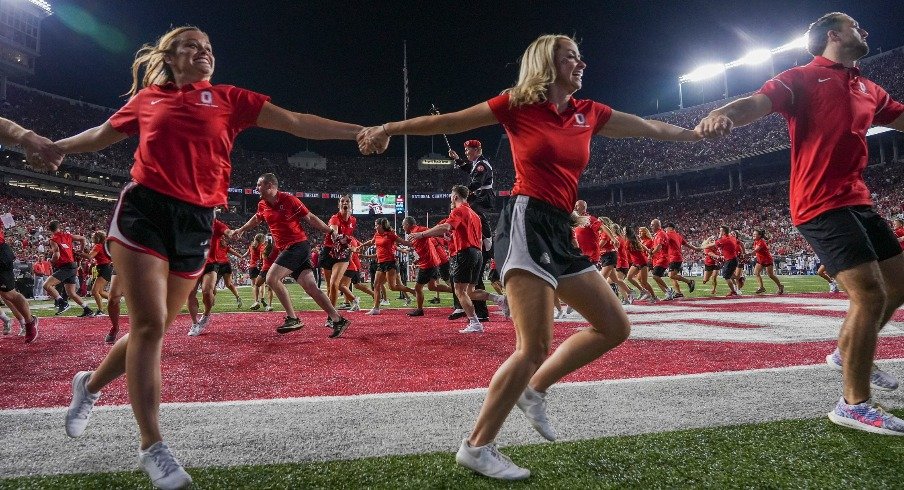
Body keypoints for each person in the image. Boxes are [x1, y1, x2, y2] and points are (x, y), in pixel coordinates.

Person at [359, 34, 699, 478]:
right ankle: (478, 446)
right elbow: (456, 122)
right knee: (534, 344)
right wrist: (388, 128)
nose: (581, 62)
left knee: (614, 325)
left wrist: (694, 133)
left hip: (559, 229)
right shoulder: (516, 104)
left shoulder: (589, 112)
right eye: (571, 57)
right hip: (524, 220)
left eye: (579, 56)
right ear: (548, 63)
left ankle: (534, 389)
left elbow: (651, 127)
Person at [54, 26, 363, 489]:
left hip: (197, 220)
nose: (204, 52)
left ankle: (90, 386)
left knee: (153, 329)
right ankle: (152, 446)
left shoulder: (228, 98)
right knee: (150, 326)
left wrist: (360, 131)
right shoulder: (148, 99)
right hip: (144, 210)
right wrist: (54, 149)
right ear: (170, 55)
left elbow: (297, 122)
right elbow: (100, 135)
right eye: (192, 46)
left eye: (209, 48)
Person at [696, 12, 904, 434]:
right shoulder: (802, 77)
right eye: (856, 26)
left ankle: (846, 353)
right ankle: (854, 404)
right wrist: (724, 112)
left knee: (898, 284)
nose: (865, 31)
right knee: (869, 293)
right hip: (819, 201)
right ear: (833, 34)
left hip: (857, 199)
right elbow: (757, 101)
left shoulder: (869, 87)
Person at [230, 173, 351, 338]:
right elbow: (257, 219)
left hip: (298, 246)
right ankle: (338, 320)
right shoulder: (262, 205)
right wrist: (242, 229)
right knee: (311, 288)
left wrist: (330, 231)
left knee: (271, 278)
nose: (256, 188)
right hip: (288, 249)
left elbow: (310, 217)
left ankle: (292, 318)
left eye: (259, 185)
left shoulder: (289, 199)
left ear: (270, 186)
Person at [407, 186, 505, 332]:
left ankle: (475, 323)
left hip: (464, 253)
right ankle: (501, 300)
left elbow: (447, 227)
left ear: (455, 197)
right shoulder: (475, 214)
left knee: (459, 291)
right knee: (470, 291)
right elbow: (466, 235)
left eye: (451, 196)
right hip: (476, 253)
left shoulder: (459, 210)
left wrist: (422, 234)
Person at [358, 218, 416, 315]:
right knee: (376, 285)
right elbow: (371, 242)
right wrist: (361, 245)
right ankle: (376, 308)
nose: (375, 227)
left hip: (390, 263)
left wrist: (415, 242)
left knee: (392, 287)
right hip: (380, 263)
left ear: (381, 225)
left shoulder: (390, 235)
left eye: (376, 225)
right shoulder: (376, 234)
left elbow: (404, 242)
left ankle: (411, 290)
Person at [401, 216, 454, 316]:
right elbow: (416, 246)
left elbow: (433, 231)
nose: (402, 227)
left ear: (407, 225)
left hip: (428, 264)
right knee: (432, 286)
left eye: (403, 225)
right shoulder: (413, 234)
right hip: (431, 262)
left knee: (417, 288)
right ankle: (455, 292)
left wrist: (445, 235)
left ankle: (419, 310)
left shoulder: (419, 229)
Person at [43, 220, 93, 317]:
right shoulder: (67, 235)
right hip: (72, 266)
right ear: (59, 227)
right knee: (71, 293)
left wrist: (51, 261)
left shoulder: (53, 239)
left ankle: (62, 303)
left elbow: (56, 255)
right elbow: (83, 238)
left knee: (47, 285)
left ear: (49, 229)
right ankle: (87, 309)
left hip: (65, 267)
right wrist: (81, 250)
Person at [321, 195, 356, 308]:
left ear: (351, 204)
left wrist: (349, 244)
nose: (345, 202)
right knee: (329, 286)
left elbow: (348, 237)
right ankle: (330, 311)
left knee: (334, 283)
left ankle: (333, 316)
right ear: (339, 205)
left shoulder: (353, 220)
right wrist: (344, 239)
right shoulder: (334, 218)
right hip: (329, 251)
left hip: (342, 252)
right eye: (342, 201)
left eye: (347, 201)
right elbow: (334, 235)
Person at [664, 223, 700, 297]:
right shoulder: (678, 236)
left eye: (666, 228)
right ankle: (678, 292)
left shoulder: (668, 234)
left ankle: (689, 282)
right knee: (672, 276)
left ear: (670, 228)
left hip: (674, 257)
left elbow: (662, 242)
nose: (665, 230)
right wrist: (695, 248)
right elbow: (687, 244)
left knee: (671, 275)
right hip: (676, 257)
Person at [87, 231, 113, 315]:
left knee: (95, 291)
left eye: (94, 237)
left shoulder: (98, 246)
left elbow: (89, 256)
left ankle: (101, 310)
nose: (93, 238)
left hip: (104, 268)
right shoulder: (104, 246)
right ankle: (115, 301)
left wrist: (79, 253)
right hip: (106, 268)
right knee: (100, 292)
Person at [751, 229, 785, 295]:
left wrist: (747, 254)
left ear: (759, 235)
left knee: (770, 275)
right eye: (753, 234)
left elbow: (756, 251)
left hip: (767, 260)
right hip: (760, 260)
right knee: (756, 273)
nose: (753, 235)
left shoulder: (761, 242)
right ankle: (761, 287)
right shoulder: (756, 241)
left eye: (755, 234)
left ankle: (780, 286)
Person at [247, 233, 267, 310]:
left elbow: (246, 254)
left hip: (252, 266)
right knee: (262, 284)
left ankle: (256, 301)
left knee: (254, 285)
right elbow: (262, 255)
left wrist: (241, 256)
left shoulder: (251, 245)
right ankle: (262, 299)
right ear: (262, 239)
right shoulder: (262, 246)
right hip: (260, 266)